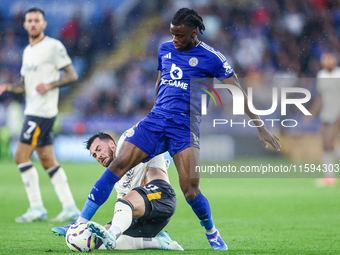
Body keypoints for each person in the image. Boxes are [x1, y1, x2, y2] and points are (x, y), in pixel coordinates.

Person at [77, 8, 281, 251]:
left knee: (190, 190)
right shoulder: (165, 49)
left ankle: (211, 231)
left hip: (184, 128)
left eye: (180, 35)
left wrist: (260, 126)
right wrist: (155, 109)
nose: (174, 39)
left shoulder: (212, 58)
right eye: (172, 34)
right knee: (116, 166)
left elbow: (238, 92)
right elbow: (160, 80)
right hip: (156, 121)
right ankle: (79, 223)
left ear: (194, 33)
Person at [0, 8, 80, 222]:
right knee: (48, 161)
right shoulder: (27, 51)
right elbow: (24, 86)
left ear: (44, 24)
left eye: (37, 20)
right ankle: (70, 207)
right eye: (30, 21)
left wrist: (51, 84)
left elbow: (72, 74)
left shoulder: (53, 46)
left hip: (41, 112)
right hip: (34, 110)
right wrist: (7, 86)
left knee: (20, 156)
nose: (33, 24)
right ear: (25, 25)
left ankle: (36, 207)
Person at [52, 129, 183, 251]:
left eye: (99, 149)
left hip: (161, 197)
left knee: (122, 206)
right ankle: (157, 242)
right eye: (94, 155)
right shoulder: (118, 182)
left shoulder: (127, 142)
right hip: (146, 218)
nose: (98, 156)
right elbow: (125, 212)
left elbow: (147, 127)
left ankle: (111, 233)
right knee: (96, 241)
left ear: (111, 143)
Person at [305, 53, 340, 186]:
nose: (327, 61)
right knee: (326, 145)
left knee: (328, 143)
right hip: (326, 113)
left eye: (329, 59)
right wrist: (312, 112)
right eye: (324, 59)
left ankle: (330, 177)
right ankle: (329, 176)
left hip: (337, 113)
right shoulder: (322, 75)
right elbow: (321, 97)